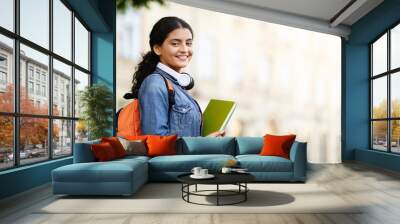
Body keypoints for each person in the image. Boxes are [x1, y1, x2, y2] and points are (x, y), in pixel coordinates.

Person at [130, 16, 224, 137]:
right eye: (175, 43)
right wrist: (203, 143)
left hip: (189, 156)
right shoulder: (155, 84)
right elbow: (157, 141)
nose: (185, 49)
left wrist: (206, 141)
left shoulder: (177, 85)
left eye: (188, 43)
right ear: (158, 49)